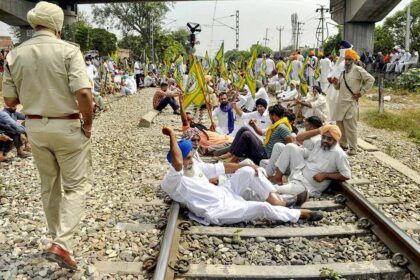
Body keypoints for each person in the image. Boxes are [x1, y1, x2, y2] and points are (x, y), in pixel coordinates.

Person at [2, 1, 93, 270]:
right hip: (66, 126)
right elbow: (84, 94)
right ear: (57, 25)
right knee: (77, 186)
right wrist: (88, 124)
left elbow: (9, 100)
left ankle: (57, 240)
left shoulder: (15, 54)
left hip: (35, 127)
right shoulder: (68, 51)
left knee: (49, 186)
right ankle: (62, 244)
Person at [161, 126, 324, 225]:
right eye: (187, 158)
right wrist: (172, 135)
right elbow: (177, 161)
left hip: (225, 192)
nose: (191, 160)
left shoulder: (194, 167)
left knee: (247, 170)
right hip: (220, 210)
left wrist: (245, 165)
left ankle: (277, 201)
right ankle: (300, 214)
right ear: (178, 162)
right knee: (261, 208)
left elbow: (221, 166)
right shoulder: (173, 181)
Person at [268, 125, 350, 200]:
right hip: (298, 174)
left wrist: (325, 175)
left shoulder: (339, 154)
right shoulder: (319, 143)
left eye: (329, 139)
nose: (325, 140)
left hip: (308, 185)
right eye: (323, 137)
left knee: (273, 190)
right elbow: (299, 138)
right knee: (290, 146)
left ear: (336, 140)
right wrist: (319, 130)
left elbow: (346, 175)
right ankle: (277, 178)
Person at [331, 49, 375, 155]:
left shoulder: (358, 70)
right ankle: (343, 145)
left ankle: (353, 149)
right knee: (340, 125)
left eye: (349, 59)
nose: (347, 61)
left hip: (350, 103)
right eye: (346, 59)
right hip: (341, 104)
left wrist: (361, 92)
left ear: (354, 60)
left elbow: (371, 80)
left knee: (351, 127)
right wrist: (335, 83)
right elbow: (338, 88)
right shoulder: (343, 72)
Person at [223, 104, 293, 165]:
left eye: (270, 116)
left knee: (246, 135)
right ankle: (231, 153)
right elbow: (262, 132)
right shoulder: (275, 125)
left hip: (266, 155)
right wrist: (253, 125)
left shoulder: (282, 127)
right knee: (244, 129)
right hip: (264, 148)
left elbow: (290, 145)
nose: (269, 118)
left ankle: (234, 159)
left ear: (274, 115)